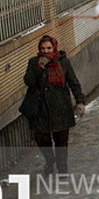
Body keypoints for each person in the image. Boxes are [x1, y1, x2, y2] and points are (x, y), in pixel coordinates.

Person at [24, 34, 85, 175]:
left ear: (54, 48)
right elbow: (29, 81)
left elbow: (73, 82)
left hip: (61, 106)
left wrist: (80, 101)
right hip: (41, 109)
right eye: (42, 48)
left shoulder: (63, 62)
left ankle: (62, 167)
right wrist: (39, 67)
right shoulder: (34, 62)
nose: (45, 51)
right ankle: (50, 161)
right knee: (42, 139)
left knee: (61, 141)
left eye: (48, 48)